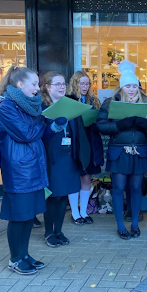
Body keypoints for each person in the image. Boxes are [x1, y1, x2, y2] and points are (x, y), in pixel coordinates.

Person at [0, 66, 47, 275]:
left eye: (38, 83)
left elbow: (33, 132)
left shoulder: (30, 105)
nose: (37, 88)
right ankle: (15, 258)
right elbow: (25, 134)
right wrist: (44, 123)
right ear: (20, 84)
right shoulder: (7, 106)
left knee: (28, 216)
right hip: (19, 171)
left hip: (33, 166)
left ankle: (24, 254)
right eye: (34, 84)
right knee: (18, 216)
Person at [97, 61, 147, 239]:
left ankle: (135, 223)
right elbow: (101, 125)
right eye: (128, 86)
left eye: (134, 86)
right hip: (119, 150)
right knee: (118, 187)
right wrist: (120, 125)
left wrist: (146, 126)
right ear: (121, 87)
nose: (131, 89)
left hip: (139, 150)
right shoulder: (110, 103)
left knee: (136, 187)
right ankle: (120, 225)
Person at [41, 71, 91, 248]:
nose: (62, 87)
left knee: (64, 196)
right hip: (52, 159)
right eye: (57, 84)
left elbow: (79, 134)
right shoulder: (42, 109)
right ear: (47, 87)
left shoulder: (70, 105)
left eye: (63, 84)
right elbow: (40, 136)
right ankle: (49, 232)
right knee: (53, 196)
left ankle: (59, 230)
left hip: (69, 156)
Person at [66, 71, 104, 225]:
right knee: (75, 177)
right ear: (75, 83)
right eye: (81, 83)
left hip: (90, 140)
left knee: (87, 177)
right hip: (75, 142)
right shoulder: (68, 100)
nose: (85, 86)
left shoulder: (93, 101)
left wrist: (96, 122)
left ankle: (84, 211)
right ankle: (75, 213)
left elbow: (100, 121)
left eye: (87, 83)